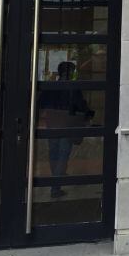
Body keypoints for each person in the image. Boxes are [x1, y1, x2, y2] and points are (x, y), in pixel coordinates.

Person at [38, 61, 93, 198]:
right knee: (63, 154)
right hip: (67, 124)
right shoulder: (72, 88)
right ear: (69, 73)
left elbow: (41, 103)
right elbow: (80, 104)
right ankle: (56, 186)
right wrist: (89, 115)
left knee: (54, 152)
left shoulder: (51, 86)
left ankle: (56, 177)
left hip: (52, 123)